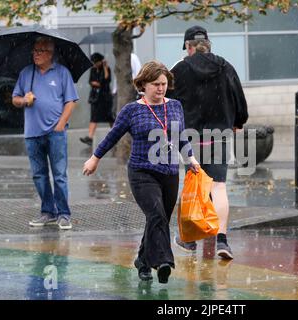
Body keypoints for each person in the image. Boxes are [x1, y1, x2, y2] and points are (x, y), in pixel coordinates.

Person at [82, 61, 200, 284]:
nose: (161, 88)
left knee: (159, 219)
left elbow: (181, 136)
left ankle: (143, 261)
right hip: (141, 172)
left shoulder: (175, 106)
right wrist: (95, 158)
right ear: (143, 84)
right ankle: (164, 261)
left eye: (164, 84)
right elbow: (113, 136)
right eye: (156, 84)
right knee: (156, 214)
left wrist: (190, 158)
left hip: (169, 171)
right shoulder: (132, 110)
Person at [168, 26, 249, 260]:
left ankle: (190, 240)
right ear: (208, 44)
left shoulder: (180, 69)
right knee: (218, 186)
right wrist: (237, 120)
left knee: (194, 184)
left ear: (189, 46)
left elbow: (167, 100)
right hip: (220, 134)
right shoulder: (225, 67)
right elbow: (239, 100)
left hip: (191, 136)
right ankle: (222, 240)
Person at [12, 36, 79, 230]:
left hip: (55, 133)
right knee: (39, 175)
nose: (36, 54)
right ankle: (48, 212)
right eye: (35, 50)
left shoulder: (62, 73)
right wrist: (24, 100)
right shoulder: (26, 73)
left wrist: (61, 124)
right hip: (32, 133)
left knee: (59, 175)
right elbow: (15, 99)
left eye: (41, 51)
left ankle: (64, 214)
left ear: (50, 54)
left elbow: (71, 101)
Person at [80, 53, 114, 146]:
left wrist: (105, 67)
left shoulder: (106, 69)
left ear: (100, 61)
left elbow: (107, 80)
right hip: (95, 97)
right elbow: (91, 81)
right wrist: (98, 83)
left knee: (110, 117)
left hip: (105, 97)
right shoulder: (93, 70)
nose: (95, 64)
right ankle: (90, 137)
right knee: (94, 117)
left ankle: (115, 134)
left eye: (96, 62)